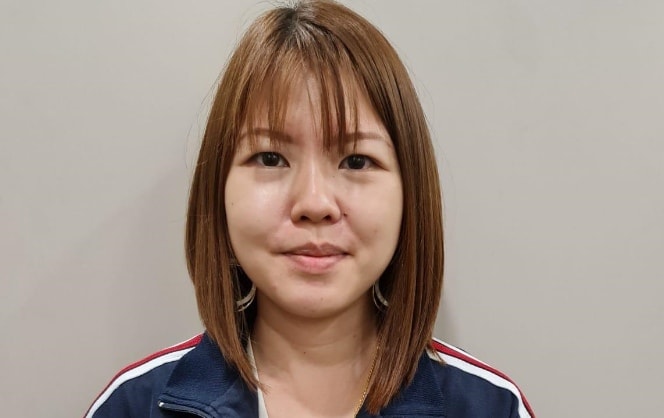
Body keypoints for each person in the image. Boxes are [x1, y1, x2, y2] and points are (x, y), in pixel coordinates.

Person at [85, 1, 535, 417]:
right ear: (217, 191)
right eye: (270, 158)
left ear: (410, 195)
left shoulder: (492, 408)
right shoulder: (134, 407)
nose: (315, 203)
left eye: (356, 161)